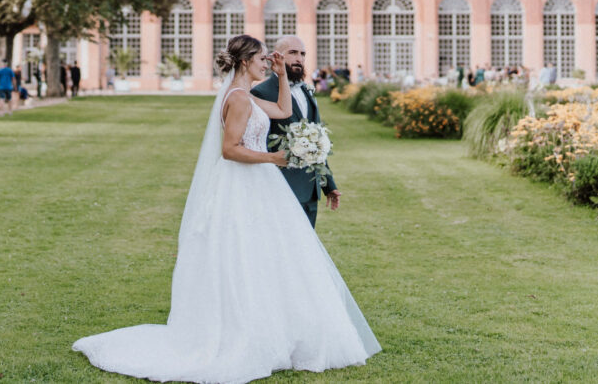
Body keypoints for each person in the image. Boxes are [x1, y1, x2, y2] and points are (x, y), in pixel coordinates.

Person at [72, 34, 380, 380]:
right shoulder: (237, 98)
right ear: (246, 61)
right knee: (243, 255)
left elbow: (283, 111)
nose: (268, 62)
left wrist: (280, 76)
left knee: (272, 255)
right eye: (263, 58)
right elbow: (230, 149)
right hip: (241, 185)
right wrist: (273, 158)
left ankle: (273, 326)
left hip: (260, 185)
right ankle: (244, 330)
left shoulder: (247, 95)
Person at [252, 35, 342, 229]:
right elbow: (258, 142)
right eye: (292, 53)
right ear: (277, 56)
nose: (299, 58)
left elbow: (316, 142)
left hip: (310, 190)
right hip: (281, 188)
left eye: (302, 54)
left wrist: (329, 185)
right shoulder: (262, 93)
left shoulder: (307, 91)